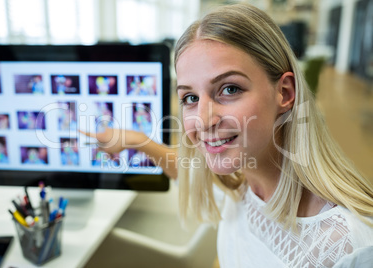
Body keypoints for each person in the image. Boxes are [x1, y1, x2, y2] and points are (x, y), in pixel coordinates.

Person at [81, 3, 373, 267]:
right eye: (190, 98)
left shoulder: (349, 246)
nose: (204, 121)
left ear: (284, 93)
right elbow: (186, 170)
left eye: (230, 89)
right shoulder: (243, 183)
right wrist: (135, 140)